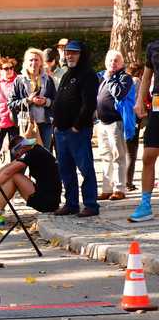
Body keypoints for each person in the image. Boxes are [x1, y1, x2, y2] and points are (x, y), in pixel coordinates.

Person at [53, 40, 99, 217]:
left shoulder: (87, 74)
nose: (69, 55)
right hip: (61, 131)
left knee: (85, 168)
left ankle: (91, 205)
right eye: (67, 52)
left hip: (77, 131)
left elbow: (89, 104)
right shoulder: (67, 73)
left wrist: (77, 125)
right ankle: (71, 203)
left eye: (74, 52)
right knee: (65, 169)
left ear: (82, 54)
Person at [0, 136, 61, 222]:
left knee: (14, 176)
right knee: (10, 175)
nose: (17, 156)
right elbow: (7, 167)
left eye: (17, 154)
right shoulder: (34, 149)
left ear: (21, 147)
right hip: (50, 199)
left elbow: (8, 172)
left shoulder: (33, 153)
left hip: (48, 202)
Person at [95, 50, 133, 201]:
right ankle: (106, 189)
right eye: (110, 60)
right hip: (101, 123)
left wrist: (110, 79)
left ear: (122, 63)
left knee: (118, 156)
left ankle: (119, 189)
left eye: (116, 60)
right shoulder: (102, 77)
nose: (113, 63)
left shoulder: (124, 77)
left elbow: (119, 93)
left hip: (116, 122)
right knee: (105, 156)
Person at [129, 40, 159, 222]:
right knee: (148, 154)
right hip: (157, 103)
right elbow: (147, 77)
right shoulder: (153, 46)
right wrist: (140, 100)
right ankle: (145, 204)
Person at [9, 48, 56, 151]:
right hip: (27, 124)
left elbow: (56, 102)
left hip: (45, 124)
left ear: (41, 62)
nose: (33, 62)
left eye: (36, 60)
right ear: (25, 62)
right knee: (29, 155)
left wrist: (45, 102)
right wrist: (28, 101)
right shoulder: (19, 80)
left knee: (45, 154)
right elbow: (11, 104)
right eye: (30, 60)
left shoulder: (48, 80)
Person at [125, 62, 145, 191]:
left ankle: (124, 181)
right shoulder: (136, 81)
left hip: (124, 117)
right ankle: (129, 182)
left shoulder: (125, 79)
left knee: (124, 151)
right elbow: (138, 99)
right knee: (131, 152)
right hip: (133, 118)